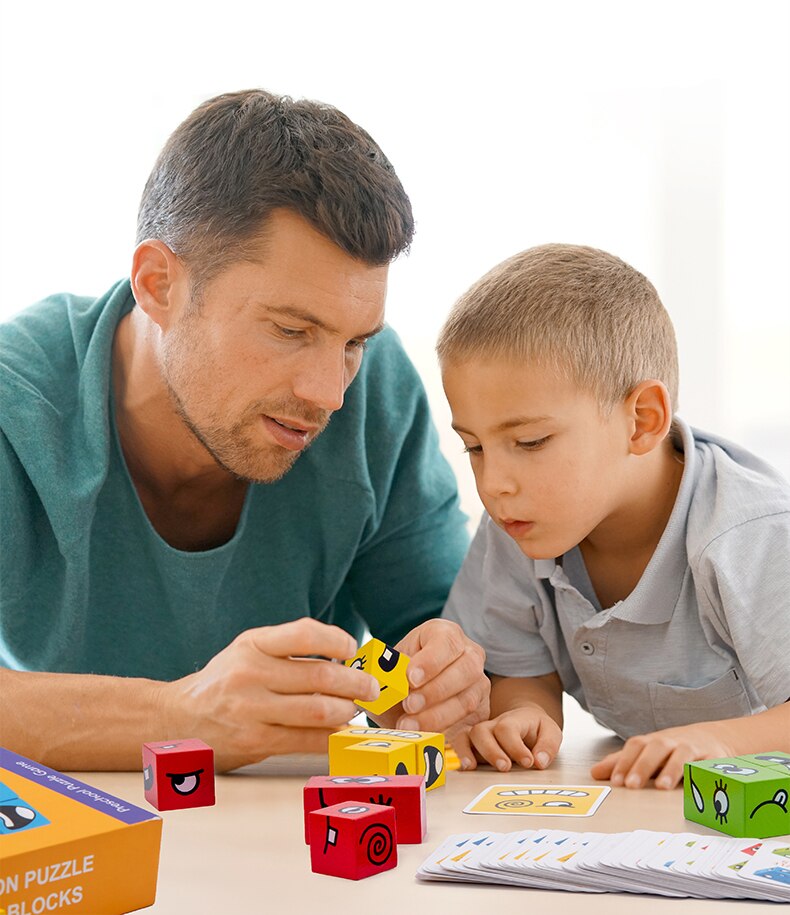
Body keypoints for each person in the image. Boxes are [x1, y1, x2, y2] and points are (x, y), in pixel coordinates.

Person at [0, 89, 488, 772]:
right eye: (291, 330)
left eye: (353, 342)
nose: (330, 393)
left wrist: (446, 676)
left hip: (289, 851)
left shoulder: (376, 391)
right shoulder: (12, 401)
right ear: (158, 283)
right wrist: (186, 715)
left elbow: (443, 629)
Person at [438, 243, 790, 788]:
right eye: (475, 448)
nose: (493, 484)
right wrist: (524, 716)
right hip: (641, 817)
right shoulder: (519, 524)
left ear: (642, 421)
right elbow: (521, 670)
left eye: (529, 442)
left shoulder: (749, 536)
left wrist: (718, 741)